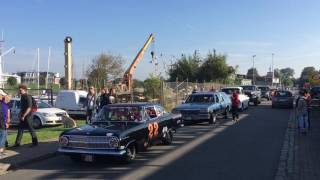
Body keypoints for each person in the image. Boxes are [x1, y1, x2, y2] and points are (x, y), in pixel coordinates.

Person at [0, 91, 10, 157]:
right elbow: (2, 115)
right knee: (2, 137)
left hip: (3, 122)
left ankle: (2, 151)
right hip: (2, 122)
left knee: (4, 136)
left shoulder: (4, 103)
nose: (4, 96)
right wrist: (6, 122)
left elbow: (7, 112)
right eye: (2, 95)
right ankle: (0, 152)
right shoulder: (1, 104)